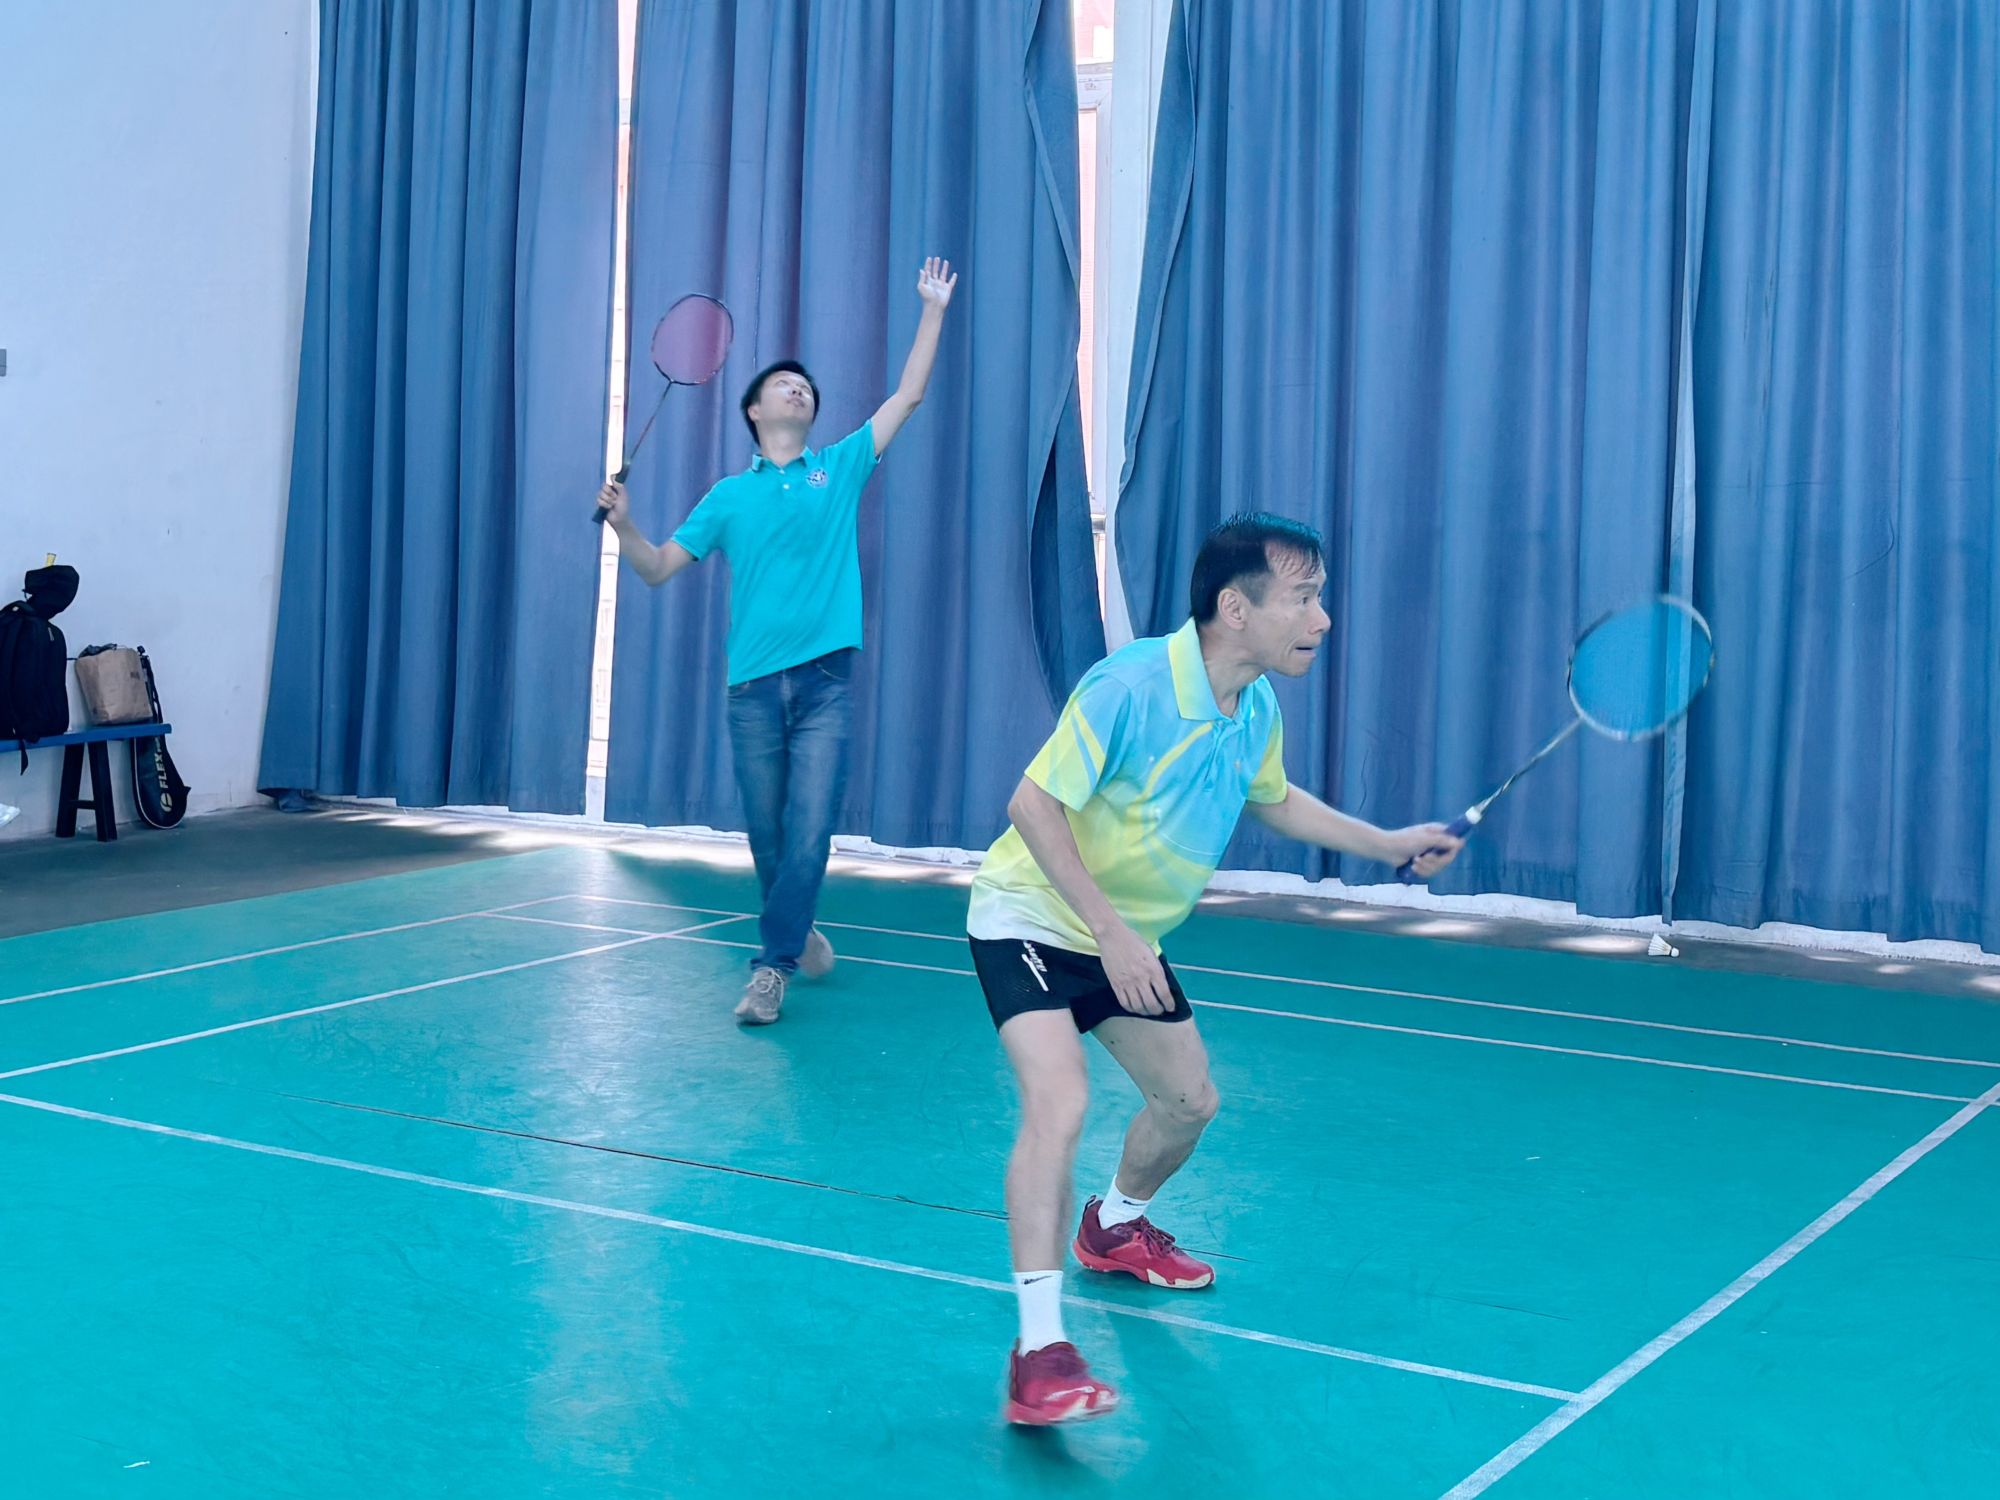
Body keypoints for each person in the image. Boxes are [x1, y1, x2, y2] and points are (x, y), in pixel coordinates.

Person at [965, 512, 1465, 1424]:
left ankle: (1113, 1227)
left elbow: (1274, 800)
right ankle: (1039, 1352)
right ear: (1236, 609)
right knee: (1060, 1103)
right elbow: (1032, 807)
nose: (1322, 619)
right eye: (1303, 599)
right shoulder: (1130, 686)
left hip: (1125, 937)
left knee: (1189, 1104)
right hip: (1033, 917)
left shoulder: (1254, 706)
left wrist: (1388, 843)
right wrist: (1110, 932)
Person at [599, 258, 958, 1025]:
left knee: (809, 828)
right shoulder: (728, 497)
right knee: (767, 836)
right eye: (783, 385)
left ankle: (772, 967)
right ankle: (797, 932)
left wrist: (932, 309)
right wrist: (625, 525)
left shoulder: (841, 468)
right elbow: (658, 569)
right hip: (752, 690)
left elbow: (908, 395)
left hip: (825, 683)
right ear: (755, 411)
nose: (798, 390)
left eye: (806, 388)